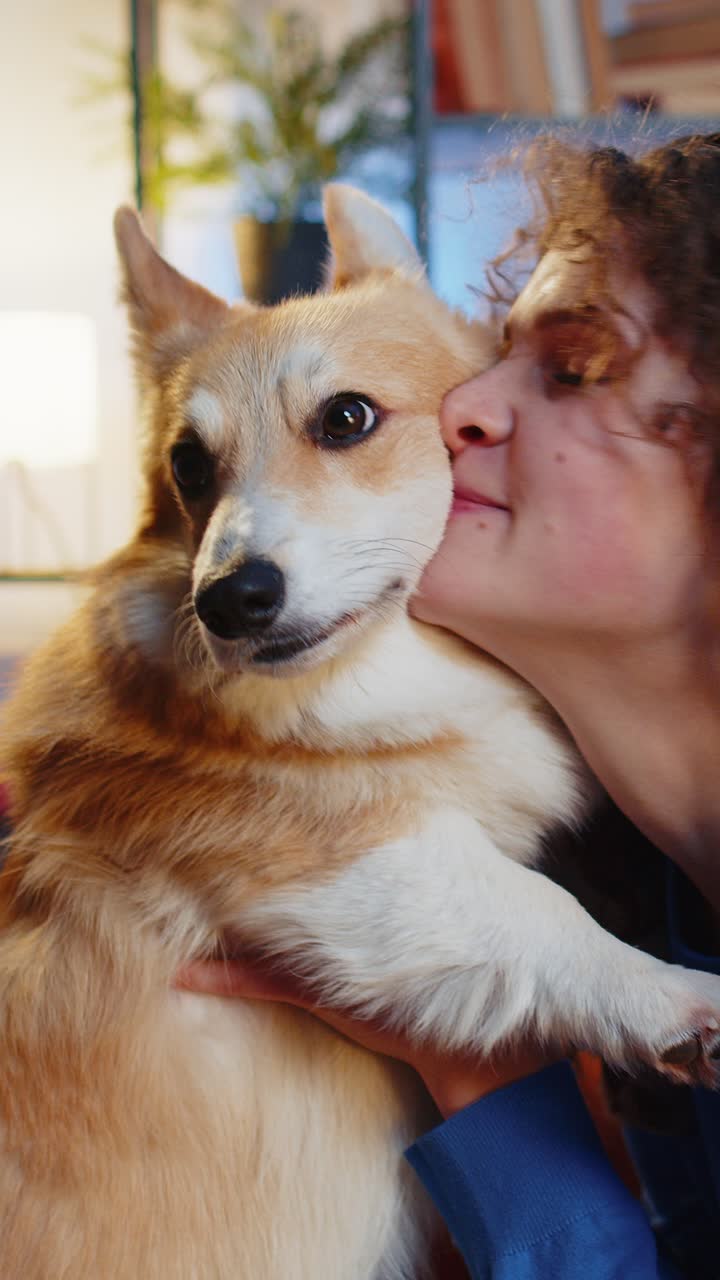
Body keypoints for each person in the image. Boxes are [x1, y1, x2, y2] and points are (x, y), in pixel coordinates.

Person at [178, 133, 720, 1277]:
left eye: (572, 366)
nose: (463, 399)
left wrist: (487, 1077)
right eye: (499, 350)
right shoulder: (640, 895)